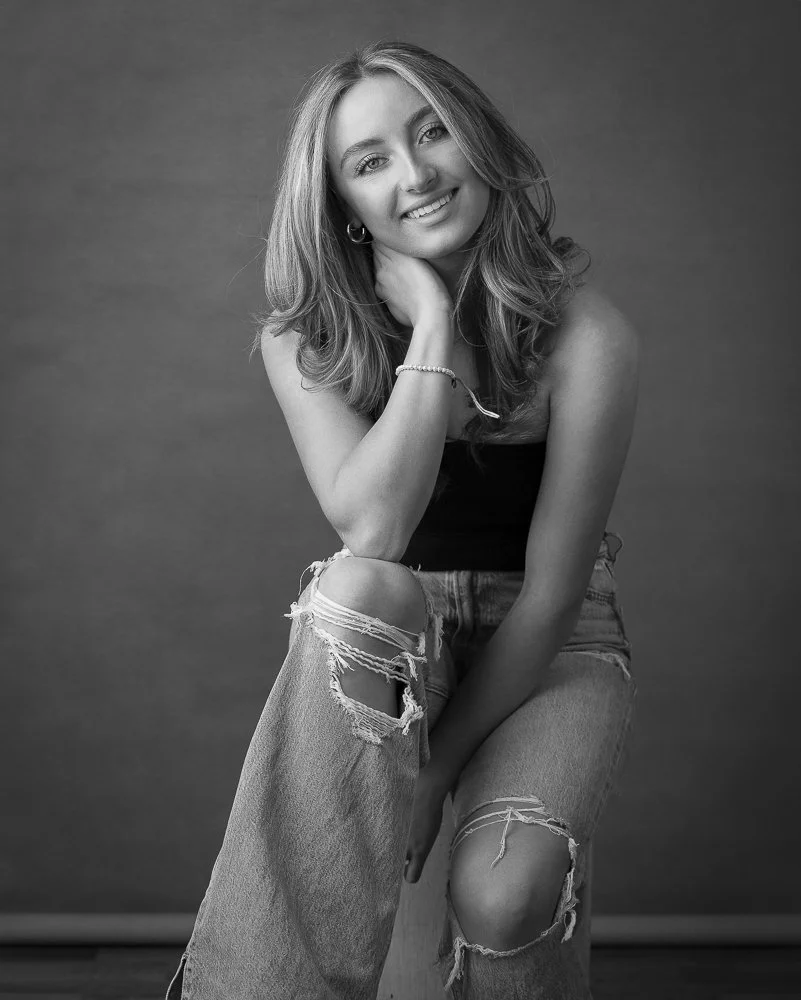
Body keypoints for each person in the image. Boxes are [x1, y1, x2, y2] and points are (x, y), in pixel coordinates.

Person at [166, 40, 639, 1000]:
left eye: (433, 134)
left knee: (504, 897)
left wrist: (436, 770)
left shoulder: (588, 336)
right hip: (388, 640)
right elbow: (375, 532)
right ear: (342, 202)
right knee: (362, 583)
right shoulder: (303, 339)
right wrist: (430, 326)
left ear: (480, 143)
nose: (415, 175)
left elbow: (551, 599)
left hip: (550, 642)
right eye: (370, 160)